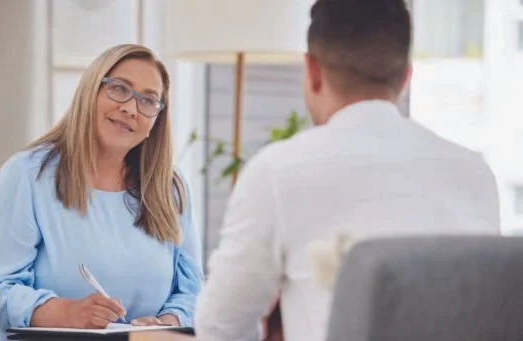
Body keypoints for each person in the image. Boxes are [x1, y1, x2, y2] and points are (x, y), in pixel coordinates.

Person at [194, 0, 500, 340]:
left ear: (312, 71)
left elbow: (220, 327)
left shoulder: (277, 173)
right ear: (405, 77)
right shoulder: (475, 174)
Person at [0, 44, 203, 340]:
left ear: (156, 120)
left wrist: (168, 320)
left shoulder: (170, 187)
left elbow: (192, 291)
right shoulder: (26, 175)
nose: (131, 108)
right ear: (91, 91)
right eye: (120, 89)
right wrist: (65, 313)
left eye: (148, 101)